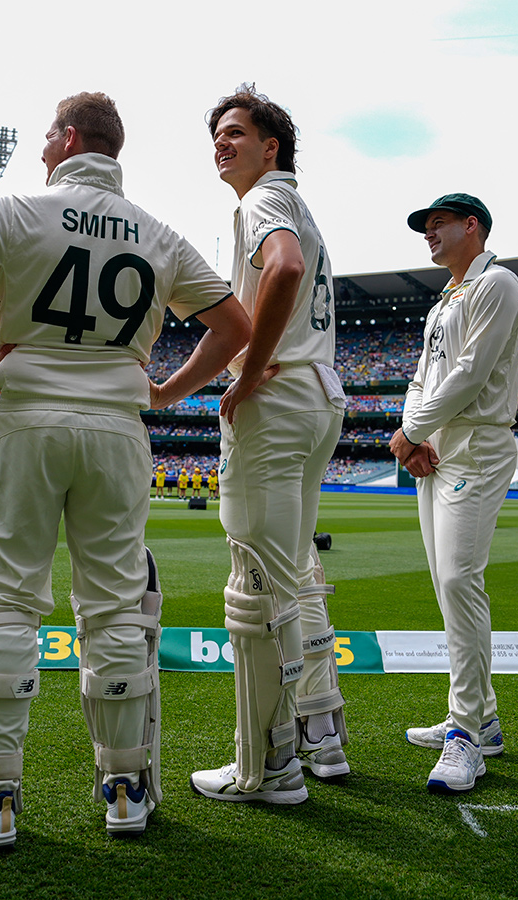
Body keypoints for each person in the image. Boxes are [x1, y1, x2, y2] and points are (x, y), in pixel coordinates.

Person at [0, 90, 249, 848]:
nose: (41, 146)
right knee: (118, 606)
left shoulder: (16, 210)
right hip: (117, 427)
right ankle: (125, 792)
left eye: (49, 133)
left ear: (72, 137)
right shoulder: (158, 232)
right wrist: (166, 389)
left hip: (26, 420)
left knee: (9, 603)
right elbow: (235, 325)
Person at [190, 84, 348, 805]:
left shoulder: (263, 202)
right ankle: (322, 732)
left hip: (281, 399)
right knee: (298, 573)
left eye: (233, 132)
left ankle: (267, 767)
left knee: (257, 584)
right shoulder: (298, 204)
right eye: (216, 135)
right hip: (319, 395)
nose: (220, 144)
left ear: (269, 145)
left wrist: (248, 372)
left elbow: (280, 270)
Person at [390, 194, 518, 792]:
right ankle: (481, 716)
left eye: (438, 224)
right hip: (436, 450)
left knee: (458, 581)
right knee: (447, 584)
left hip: (474, 446)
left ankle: (466, 732)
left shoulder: (498, 283)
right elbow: (423, 376)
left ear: (472, 225)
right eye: (425, 228)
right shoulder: (446, 299)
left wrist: (410, 432)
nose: (428, 235)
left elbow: (471, 373)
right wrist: (412, 435)